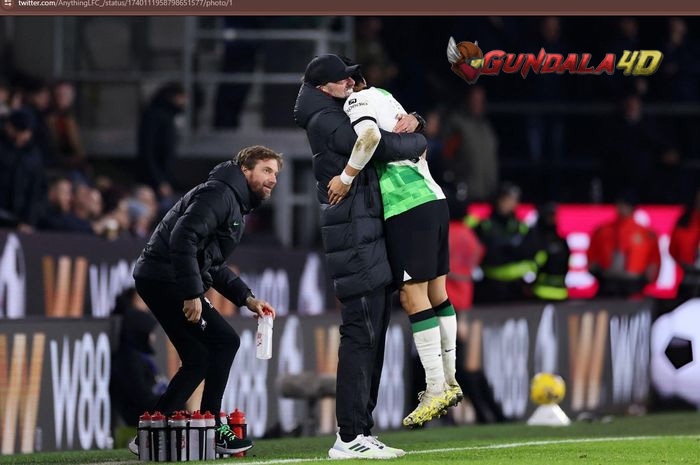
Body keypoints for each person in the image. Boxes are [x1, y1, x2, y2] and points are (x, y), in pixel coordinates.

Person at [294, 54, 426, 459]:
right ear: (323, 88)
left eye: (353, 78)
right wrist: (418, 137)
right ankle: (350, 435)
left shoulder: (337, 110)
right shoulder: (327, 121)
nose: (352, 84)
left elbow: (386, 132)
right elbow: (381, 145)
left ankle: (359, 432)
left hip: (365, 236)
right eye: (344, 80)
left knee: (371, 336)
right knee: (361, 337)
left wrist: (414, 119)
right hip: (355, 239)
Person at [326, 62, 462, 429]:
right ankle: (449, 380)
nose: (346, 85)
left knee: (411, 295)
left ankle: (435, 386)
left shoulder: (357, 103)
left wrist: (345, 178)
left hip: (406, 204)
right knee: (438, 293)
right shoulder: (386, 96)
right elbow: (415, 141)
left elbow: (368, 138)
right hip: (434, 197)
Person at [130, 145, 282, 456]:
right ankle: (213, 426)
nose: (273, 179)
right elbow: (182, 237)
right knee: (224, 341)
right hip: (165, 277)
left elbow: (210, 262)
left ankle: (151, 432)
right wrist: (191, 293)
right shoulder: (220, 194)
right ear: (245, 169)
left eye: (276, 174)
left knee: (200, 358)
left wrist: (247, 298)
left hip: (162, 276)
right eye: (266, 170)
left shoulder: (232, 200)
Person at [471, 183, 537, 302]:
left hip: (516, 287)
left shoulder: (521, 227)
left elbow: (531, 253)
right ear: (497, 200)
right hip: (490, 284)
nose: (508, 203)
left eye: (513, 200)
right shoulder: (485, 226)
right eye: (505, 199)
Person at [587, 195, 661, 297]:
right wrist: (596, 272)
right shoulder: (603, 231)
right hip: (607, 284)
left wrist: (648, 279)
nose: (622, 208)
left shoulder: (646, 234)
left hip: (634, 285)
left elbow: (654, 261)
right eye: (620, 204)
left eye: (626, 205)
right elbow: (591, 258)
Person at [137, 82, 186, 200]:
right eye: (182, 98)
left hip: (162, 178)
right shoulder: (155, 116)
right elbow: (148, 151)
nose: (184, 102)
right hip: (154, 180)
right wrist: (160, 181)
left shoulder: (167, 116)